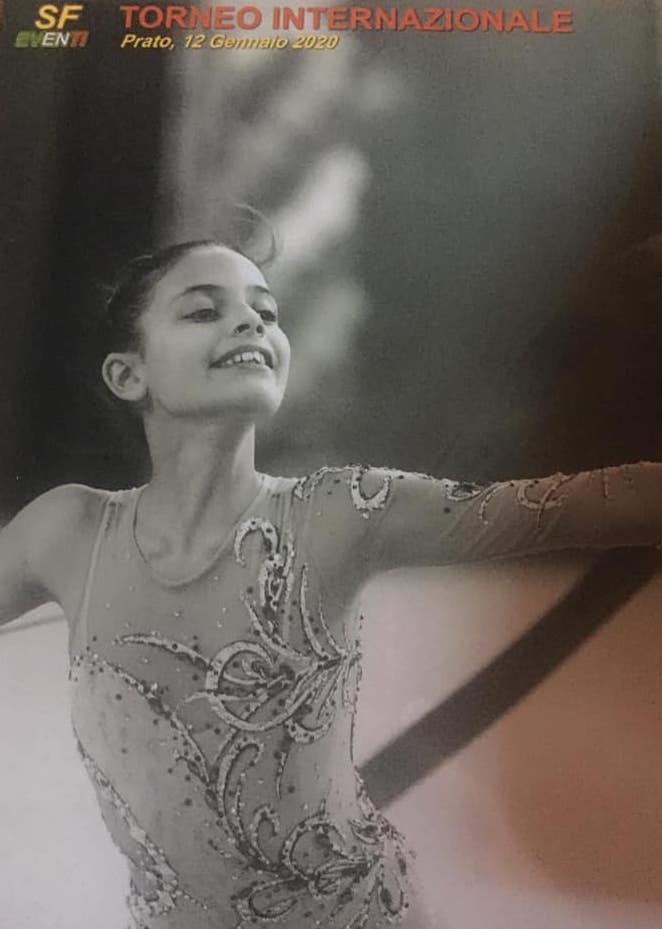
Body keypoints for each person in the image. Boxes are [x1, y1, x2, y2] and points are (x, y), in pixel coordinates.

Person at [2, 239, 662, 929]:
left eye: (266, 312)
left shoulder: (342, 512)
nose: (251, 322)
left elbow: (566, 506)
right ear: (127, 373)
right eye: (203, 311)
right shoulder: (67, 531)